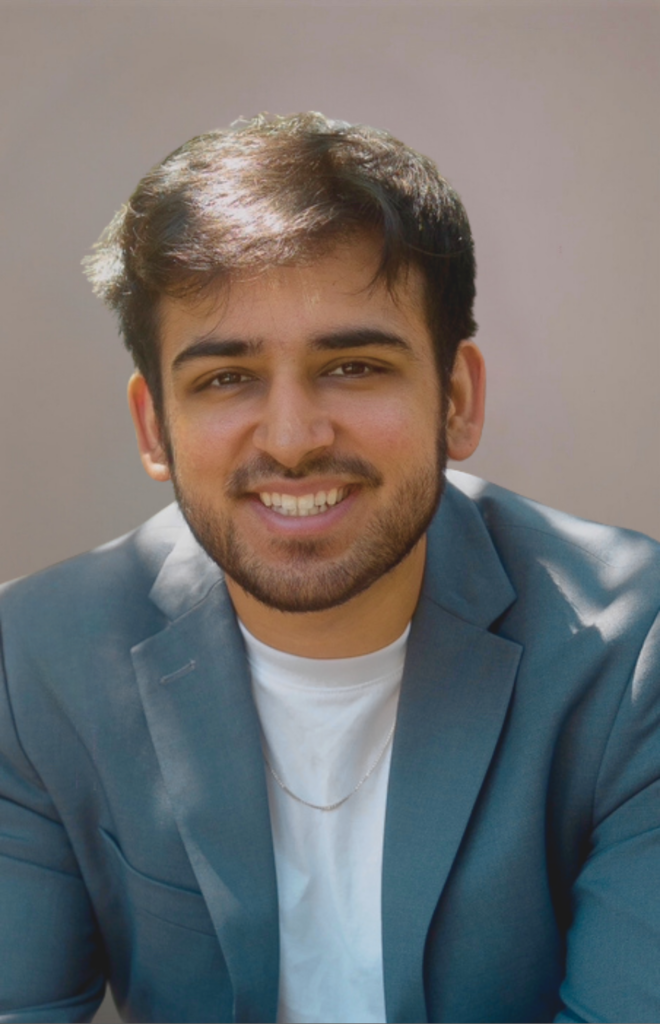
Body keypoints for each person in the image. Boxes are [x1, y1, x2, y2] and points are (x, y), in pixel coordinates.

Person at [0, 112, 658, 1024]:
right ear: (156, 427)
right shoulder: (32, 665)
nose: (294, 440)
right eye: (226, 379)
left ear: (458, 399)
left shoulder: (636, 653)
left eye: (352, 365)